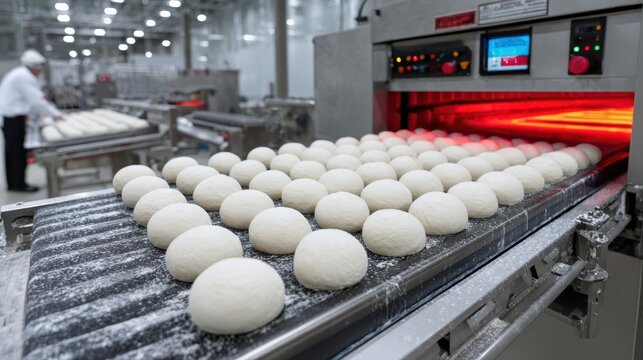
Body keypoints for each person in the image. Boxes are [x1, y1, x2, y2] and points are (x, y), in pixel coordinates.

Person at [0, 49, 62, 192]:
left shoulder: (20, 74)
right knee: (16, 153)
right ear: (33, 66)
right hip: (12, 119)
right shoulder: (23, 76)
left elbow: (31, 100)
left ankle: (14, 183)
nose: (40, 71)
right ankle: (18, 184)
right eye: (39, 67)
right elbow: (37, 101)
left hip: (12, 118)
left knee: (12, 152)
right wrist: (57, 115)